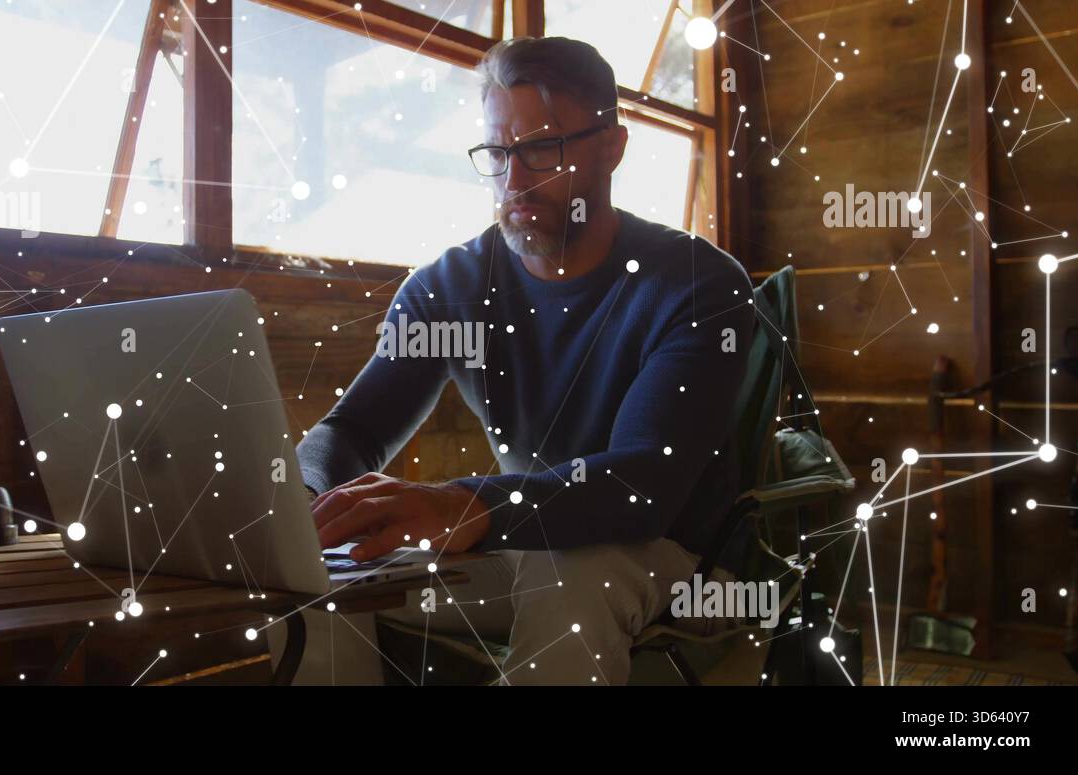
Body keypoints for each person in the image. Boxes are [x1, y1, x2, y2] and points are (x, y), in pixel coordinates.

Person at [285, 35, 754, 685]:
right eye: (499, 152)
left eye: (542, 148)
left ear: (612, 149)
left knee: (566, 573)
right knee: (325, 579)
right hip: (519, 540)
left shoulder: (695, 283)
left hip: (680, 557)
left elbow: (644, 485)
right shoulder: (449, 288)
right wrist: (306, 504)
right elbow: (356, 430)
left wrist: (461, 502)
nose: (515, 179)